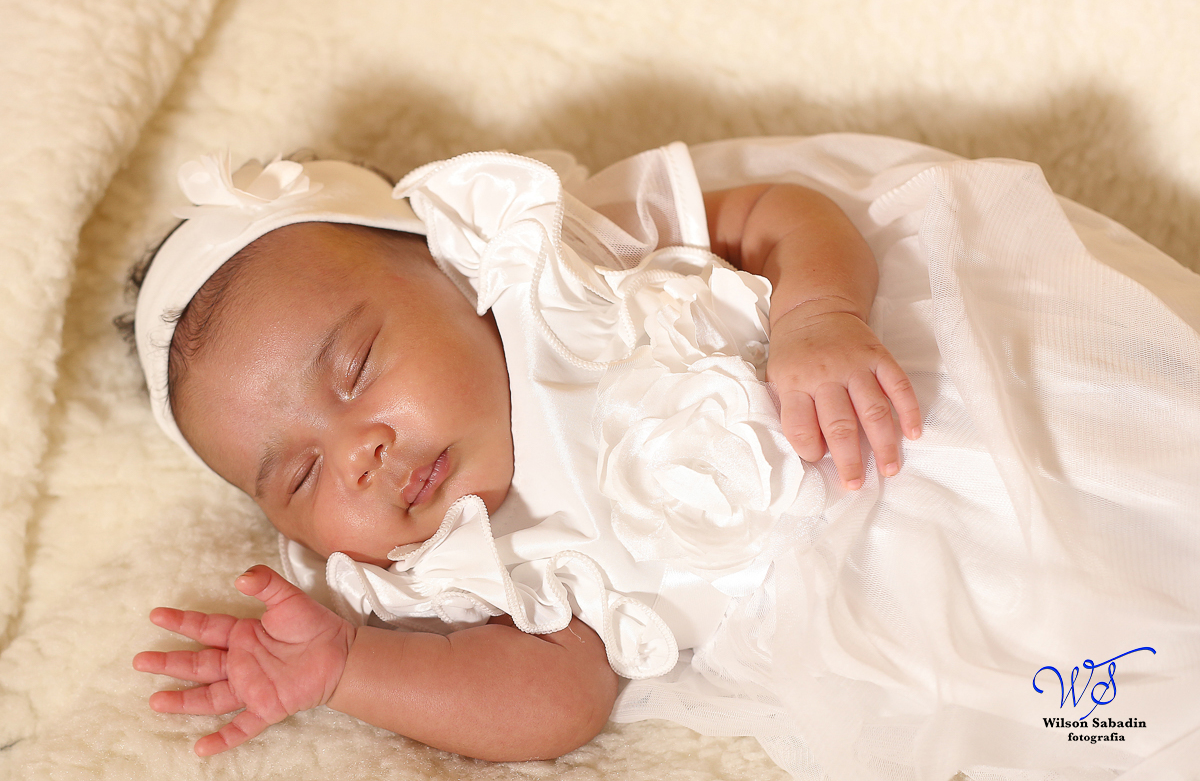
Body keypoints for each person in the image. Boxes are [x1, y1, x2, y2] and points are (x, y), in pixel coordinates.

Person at [130, 137, 1200, 780]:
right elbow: (561, 702)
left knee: (1136, 453)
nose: (355, 456)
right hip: (885, 614)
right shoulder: (469, 569)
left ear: (454, 266)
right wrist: (351, 667)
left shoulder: (577, 267)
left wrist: (819, 311)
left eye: (356, 364)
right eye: (301, 476)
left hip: (927, 407)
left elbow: (783, 211)